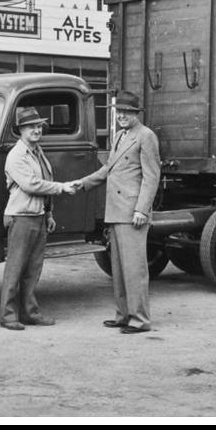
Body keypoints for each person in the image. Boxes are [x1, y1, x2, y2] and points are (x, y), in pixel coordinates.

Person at [73, 90, 161, 334]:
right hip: (116, 211)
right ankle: (123, 315)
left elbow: (152, 177)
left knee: (134, 269)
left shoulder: (146, 136)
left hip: (132, 212)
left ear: (136, 114)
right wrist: (82, 184)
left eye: (127, 112)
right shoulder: (122, 136)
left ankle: (140, 320)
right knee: (120, 270)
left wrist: (142, 209)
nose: (121, 116)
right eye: (119, 112)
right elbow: (107, 171)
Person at [0, 106, 66, 331]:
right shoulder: (16, 155)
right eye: (31, 127)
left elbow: (44, 179)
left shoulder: (38, 152)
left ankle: (30, 313)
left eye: (39, 126)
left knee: (33, 270)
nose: (37, 130)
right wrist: (62, 188)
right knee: (15, 269)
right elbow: (32, 185)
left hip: (37, 216)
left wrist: (49, 214)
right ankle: (8, 317)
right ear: (21, 130)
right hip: (22, 217)